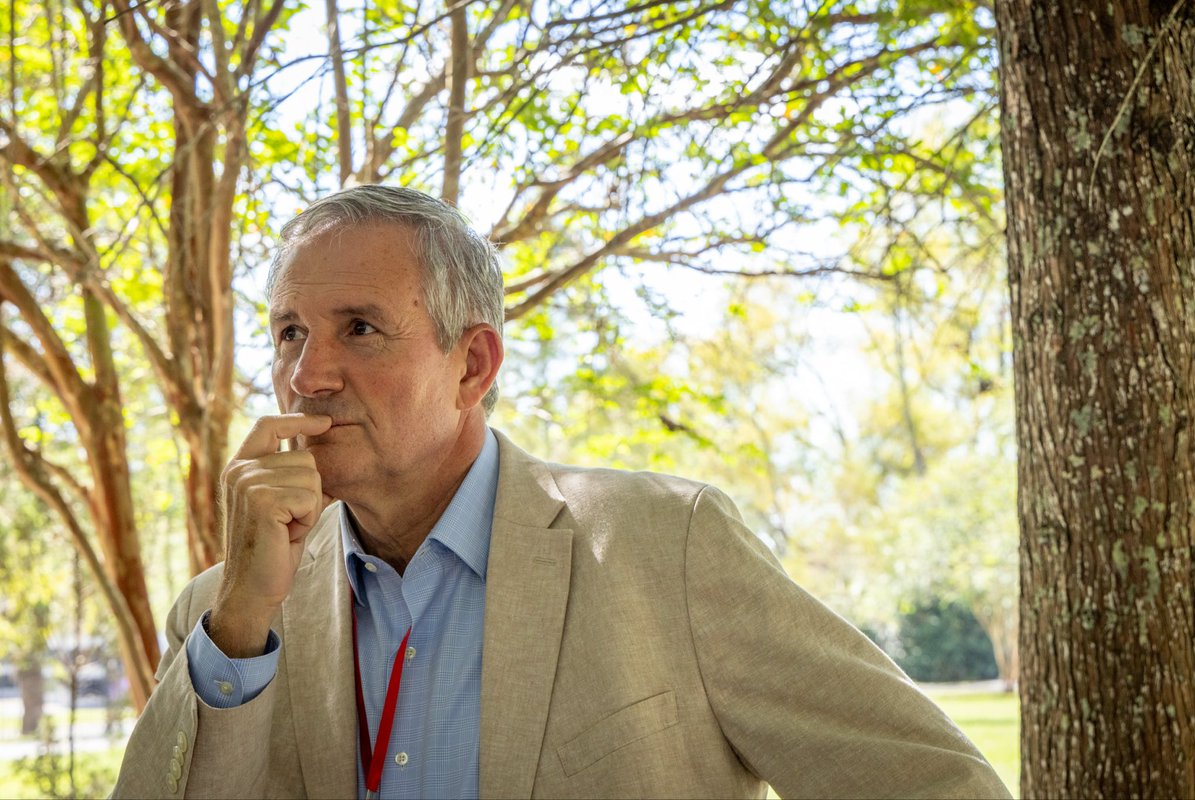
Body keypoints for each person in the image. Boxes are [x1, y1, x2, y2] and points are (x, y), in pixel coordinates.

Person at [112, 185, 1010, 799]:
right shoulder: (225, 620)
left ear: (473, 364)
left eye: (359, 328)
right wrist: (239, 621)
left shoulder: (667, 546)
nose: (307, 374)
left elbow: (940, 784)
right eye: (290, 332)